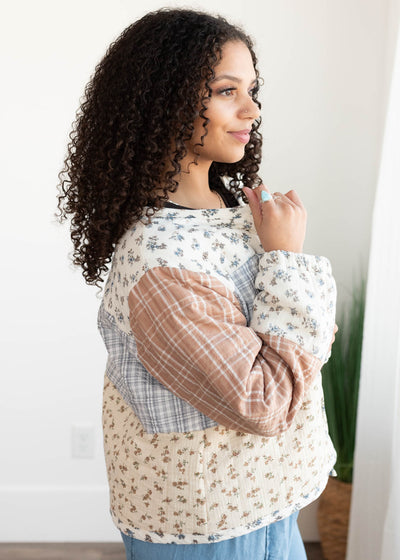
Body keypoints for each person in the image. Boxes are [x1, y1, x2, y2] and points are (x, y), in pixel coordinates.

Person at [57, 8, 337, 560]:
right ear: (165, 102)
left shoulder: (231, 205)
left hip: (267, 497)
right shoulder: (163, 264)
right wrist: (286, 259)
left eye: (252, 89)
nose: (252, 109)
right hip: (213, 524)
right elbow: (264, 401)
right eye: (226, 91)